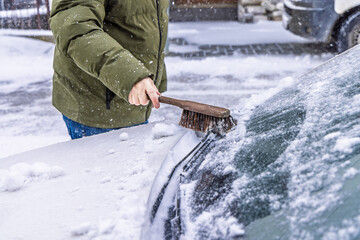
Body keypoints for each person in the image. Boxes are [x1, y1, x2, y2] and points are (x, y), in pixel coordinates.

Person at [49, 0, 168, 139]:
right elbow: (76, 29)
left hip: (134, 98)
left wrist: (152, 78)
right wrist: (130, 75)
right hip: (98, 105)